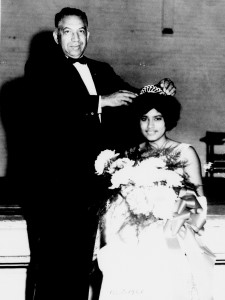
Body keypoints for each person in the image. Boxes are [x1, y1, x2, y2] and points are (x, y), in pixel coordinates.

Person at [18, 7, 176, 300]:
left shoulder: (101, 70)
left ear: (88, 34)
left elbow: (132, 95)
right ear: (56, 36)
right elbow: (50, 106)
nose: (75, 40)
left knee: (81, 268)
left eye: (81, 32)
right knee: (53, 270)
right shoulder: (41, 68)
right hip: (56, 191)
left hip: (91, 189)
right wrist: (102, 101)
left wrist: (160, 89)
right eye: (67, 32)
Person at [91, 86, 216, 300]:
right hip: (131, 237)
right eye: (144, 118)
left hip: (170, 237)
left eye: (157, 118)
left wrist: (167, 228)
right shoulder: (132, 153)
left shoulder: (185, 152)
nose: (150, 126)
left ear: (168, 119)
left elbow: (195, 208)